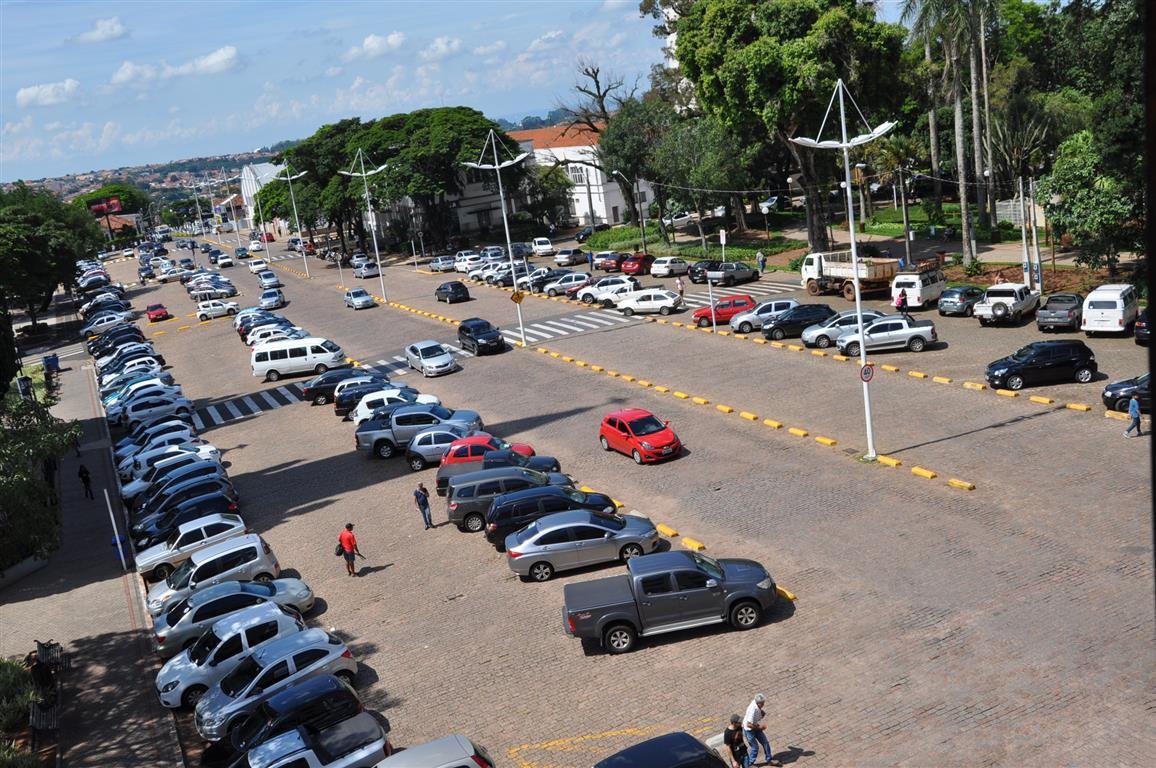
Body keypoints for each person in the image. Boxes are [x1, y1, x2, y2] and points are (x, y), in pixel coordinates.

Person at [743, 693, 780, 767]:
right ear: (758, 703)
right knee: (755, 747)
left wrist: (761, 712)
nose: (764, 704)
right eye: (762, 703)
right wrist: (760, 728)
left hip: (754, 726)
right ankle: (749, 764)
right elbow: (748, 724)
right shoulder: (752, 710)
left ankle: (769, 760)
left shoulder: (756, 703)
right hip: (749, 730)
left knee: (765, 742)